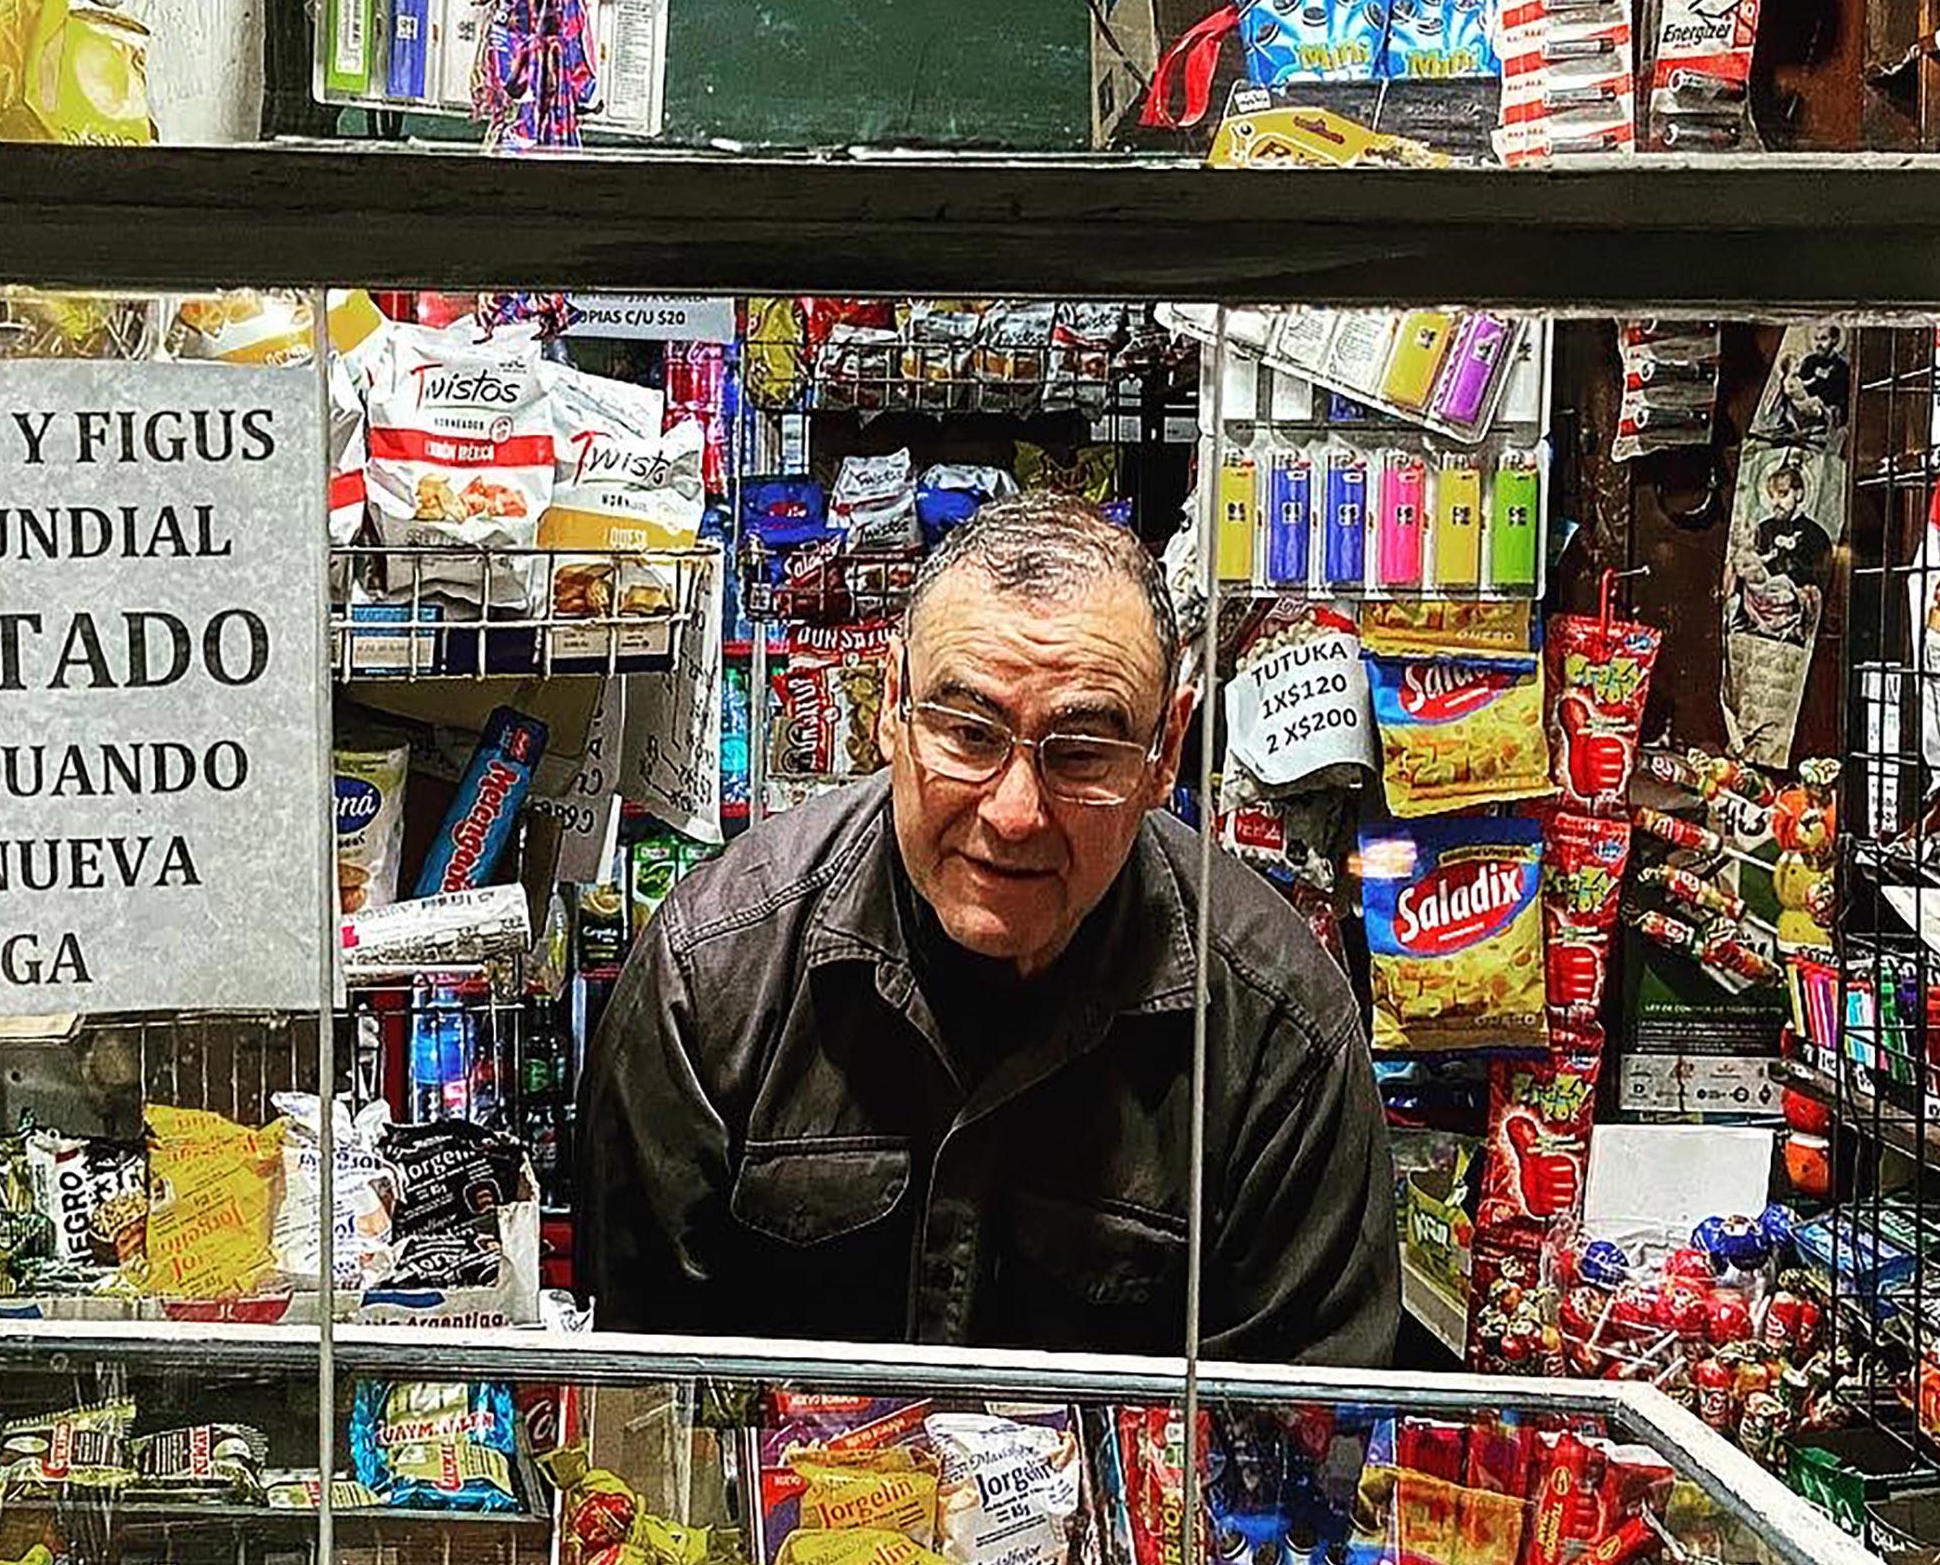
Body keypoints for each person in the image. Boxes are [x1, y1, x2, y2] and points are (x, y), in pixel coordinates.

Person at [579, 491, 1398, 1365]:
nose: (1014, 813)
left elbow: (1298, 1446)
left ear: (1166, 753)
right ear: (891, 708)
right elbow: (636, 1411)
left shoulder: (1278, 1028)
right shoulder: (714, 969)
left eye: (1082, 754)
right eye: (969, 734)